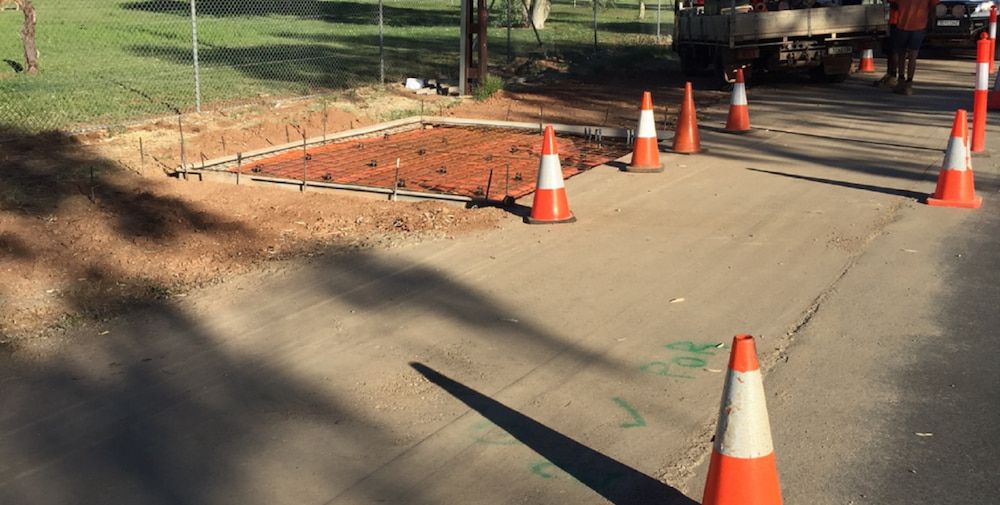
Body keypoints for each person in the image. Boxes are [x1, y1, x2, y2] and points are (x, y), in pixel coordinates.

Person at [890, 0, 939, 95]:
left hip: (902, 24)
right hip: (919, 25)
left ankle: (900, 81)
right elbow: (933, 6)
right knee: (913, 56)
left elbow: (893, 4)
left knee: (901, 54)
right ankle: (909, 84)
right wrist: (932, 21)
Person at [874, 0, 901, 88]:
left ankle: (893, 76)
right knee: (889, 50)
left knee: (894, 50)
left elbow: (899, 5)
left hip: (896, 22)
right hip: (888, 21)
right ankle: (889, 74)